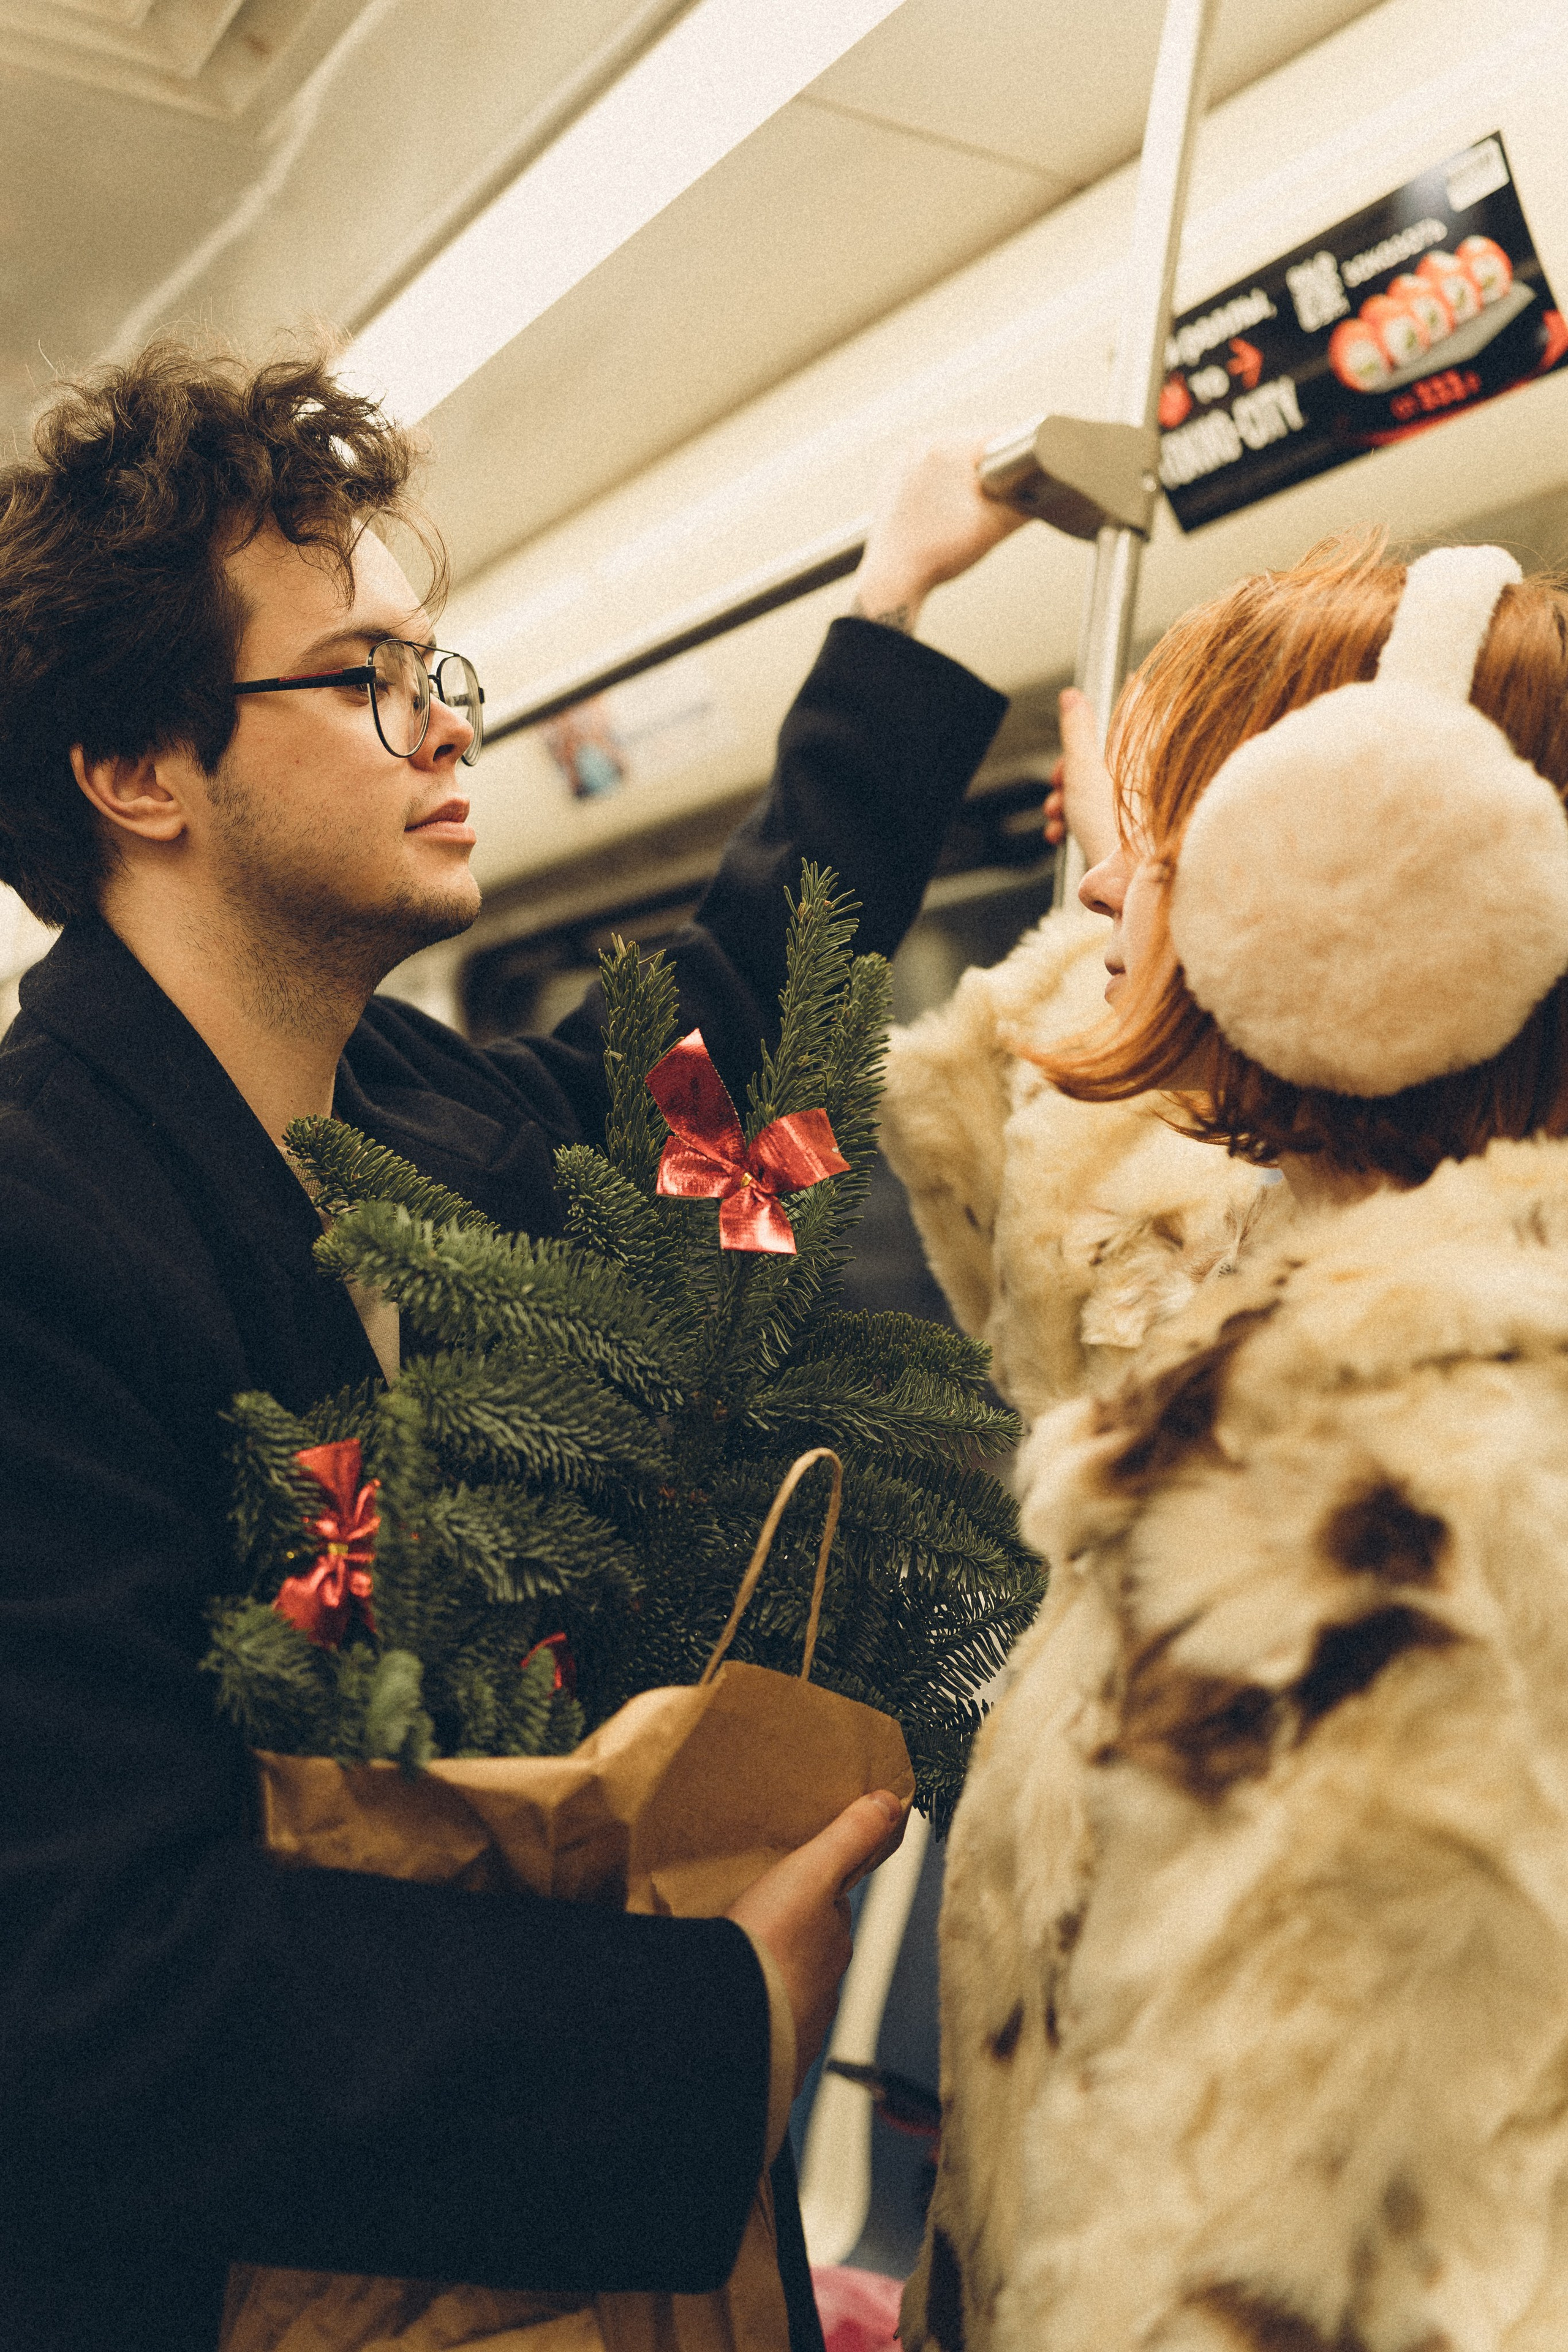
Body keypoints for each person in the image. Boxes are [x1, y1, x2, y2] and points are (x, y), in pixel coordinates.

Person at [0, 343, 1025, 2352]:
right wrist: (711, 2021)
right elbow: (94, 1978)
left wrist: (890, 617)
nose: (440, 727)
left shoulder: (429, 1110)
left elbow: (732, 1067)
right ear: (139, 772)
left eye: (433, 670)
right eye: (363, 677)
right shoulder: (43, 1247)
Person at [883, 532, 1568, 2351]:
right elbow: (1073, 1257)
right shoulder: (1335, 1282)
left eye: (1187, 848)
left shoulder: (1383, 1465)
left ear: (1367, 887)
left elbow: (1272, 2258)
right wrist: (1148, 917)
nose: (1117, 893)